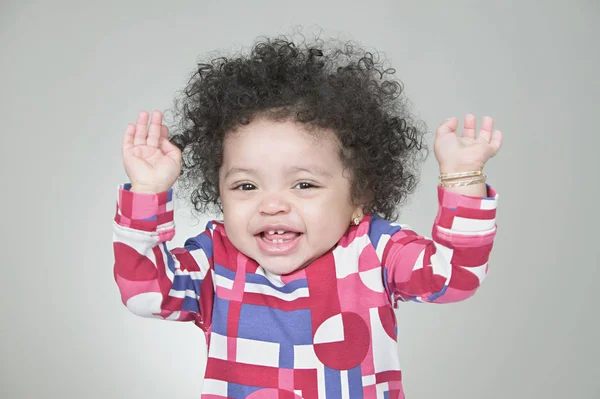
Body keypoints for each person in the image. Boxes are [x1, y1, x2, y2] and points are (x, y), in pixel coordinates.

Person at [112, 36, 502, 399]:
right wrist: (148, 192)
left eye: (304, 185)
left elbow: (455, 277)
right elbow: (145, 293)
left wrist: (462, 178)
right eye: (246, 187)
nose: (272, 204)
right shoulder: (216, 260)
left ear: (358, 198)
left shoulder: (376, 252)